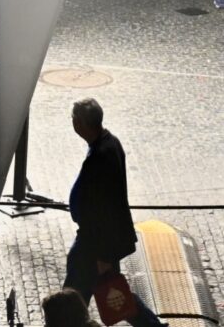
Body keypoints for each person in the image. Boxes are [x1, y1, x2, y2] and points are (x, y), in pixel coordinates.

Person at [64, 99, 160, 327]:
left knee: (85, 292)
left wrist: (104, 256)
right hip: (99, 242)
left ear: (80, 124)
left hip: (95, 243)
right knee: (112, 291)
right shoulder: (109, 144)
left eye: (73, 119)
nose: (72, 123)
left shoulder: (100, 157)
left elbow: (103, 210)